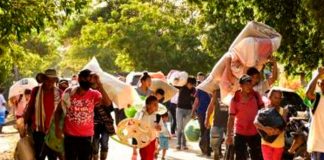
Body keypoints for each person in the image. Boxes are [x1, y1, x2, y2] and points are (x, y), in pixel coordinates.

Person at [55, 69, 112, 160]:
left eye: (90, 78)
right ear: (79, 79)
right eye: (85, 78)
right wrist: (57, 128)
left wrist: (99, 84)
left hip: (86, 137)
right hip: (70, 136)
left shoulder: (94, 94)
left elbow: (108, 103)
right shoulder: (69, 92)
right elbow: (58, 111)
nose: (87, 81)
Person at [24, 69, 62, 160]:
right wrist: (24, 124)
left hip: (52, 131)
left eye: (52, 80)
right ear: (43, 79)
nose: (50, 82)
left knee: (52, 157)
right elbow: (30, 108)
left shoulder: (59, 93)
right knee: (39, 155)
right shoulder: (36, 91)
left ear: (55, 81)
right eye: (48, 79)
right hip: (38, 129)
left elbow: (61, 113)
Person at [225, 74, 264, 160]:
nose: (249, 86)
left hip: (255, 131)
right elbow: (231, 118)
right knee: (240, 157)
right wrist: (229, 135)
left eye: (251, 84)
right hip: (240, 132)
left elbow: (263, 111)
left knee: (257, 157)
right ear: (241, 85)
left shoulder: (256, 96)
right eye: (247, 84)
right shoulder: (235, 99)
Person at [254, 89, 287, 160]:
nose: (277, 100)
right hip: (266, 143)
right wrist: (265, 129)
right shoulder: (263, 110)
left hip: (279, 145)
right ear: (270, 97)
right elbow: (255, 122)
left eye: (279, 98)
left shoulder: (283, 111)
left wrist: (275, 131)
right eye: (275, 97)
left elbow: (283, 126)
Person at [134, 95, 163, 160]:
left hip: (152, 141)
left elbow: (162, 128)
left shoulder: (158, 116)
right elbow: (134, 123)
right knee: (145, 157)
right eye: (155, 104)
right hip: (143, 141)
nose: (157, 106)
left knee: (149, 157)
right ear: (148, 105)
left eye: (157, 104)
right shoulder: (140, 114)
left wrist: (159, 128)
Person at [132, 72, 153, 159]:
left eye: (150, 81)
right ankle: (134, 150)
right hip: (136, 113)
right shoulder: (135, 90)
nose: (150, 82)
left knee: (143, 133)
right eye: (148, 80)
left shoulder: (151, 92)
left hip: (146, 116)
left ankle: (142, 149)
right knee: (135, 131)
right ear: (143, 81)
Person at [306, 66, 324, 159]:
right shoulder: (318, 98)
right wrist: (318, 75)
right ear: (320, 85)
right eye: (322, 83)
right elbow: (308, 94)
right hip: (320, 147)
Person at [205, 88, 228, 160]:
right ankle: (216, 152)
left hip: (230, 123)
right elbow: (211, 106)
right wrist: (207, 119)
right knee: (214, 143)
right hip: (217, 122)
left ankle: (227, 155)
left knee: (231, 145)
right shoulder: (217, 93)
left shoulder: (234, 91)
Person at [176, 76, 196, 150]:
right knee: (179, 127)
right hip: (180, 109)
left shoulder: (193, 90)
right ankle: (178, 144)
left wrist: (194, 112)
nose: (191, 86)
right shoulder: (181, 87)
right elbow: (174, 84)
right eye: (190, 84)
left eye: (193, 85)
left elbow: (194, 100)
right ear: (187, 83)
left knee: (185, 128)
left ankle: (184, 144)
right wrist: (177, 79)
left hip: (188, 110)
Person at [192, 88, 212, 156]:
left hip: (211, 113)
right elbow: (196, 101)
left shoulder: (212, 89)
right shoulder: (200, 89)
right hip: (201, 113)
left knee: (208, 131)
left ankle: (206, 148)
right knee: (204, 130)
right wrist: (193, 111)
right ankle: (205, 148)